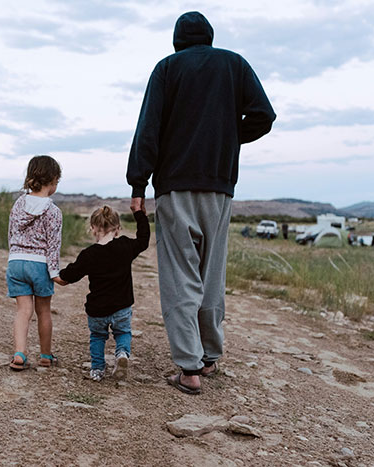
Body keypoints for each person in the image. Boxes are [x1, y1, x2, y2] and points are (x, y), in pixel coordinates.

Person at [126, 11, 275, 394]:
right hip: (220, 186)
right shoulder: (234, 64)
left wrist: (138, 184)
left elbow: (149, 127)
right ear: (209, 36)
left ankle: (189, 369)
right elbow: (263, 115)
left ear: (177, 39)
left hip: (175, 186)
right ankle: (209, 357)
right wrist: (227, 136)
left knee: (180, 275)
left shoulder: (167, 69)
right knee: (211, 274)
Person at [55, 206, 150, 381]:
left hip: (97, 310)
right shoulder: (125, 246)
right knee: (123, 333)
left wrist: (53, 274)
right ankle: (121, 353)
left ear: (92, 228)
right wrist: (139, 215)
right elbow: (143, 240)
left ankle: (97, 369)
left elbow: (68, 277)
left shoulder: (88, 255)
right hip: (122, 307)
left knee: (98, 336)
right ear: (118, 229)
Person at [6, 155, 62, 371]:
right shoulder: (53, 211)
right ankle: (46, 355)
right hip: (39, 264)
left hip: (16, 261)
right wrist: (54, 271)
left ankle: (19, 353)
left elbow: (11, 233)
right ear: (54, 180)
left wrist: (13, 255)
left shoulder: (19, 203)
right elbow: (53, 245)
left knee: (23, 311)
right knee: (44, 311)